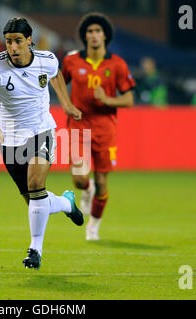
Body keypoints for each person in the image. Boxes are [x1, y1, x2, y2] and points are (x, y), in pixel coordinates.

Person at [0, 17, 83, 270]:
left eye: (18, 41)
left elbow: (56, 76)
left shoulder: (47, 59)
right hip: (9, 138)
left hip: (41, 129)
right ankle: (66, 203)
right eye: (9, 42)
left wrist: (65, 104)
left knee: (35, 184)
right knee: (34, 201)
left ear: (29, 40)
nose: (13, 47)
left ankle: (35, 250)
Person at [62, 13, 135, 241]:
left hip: (105, 129)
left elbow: (129, 99)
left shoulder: (117, 64)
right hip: (78, 125)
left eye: (98, 31)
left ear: (105, 35)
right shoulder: (71, 61)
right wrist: (66, 103)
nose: (94, 35)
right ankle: (87, 188)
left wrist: (108, 100)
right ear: (84, 36)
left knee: (103, 182)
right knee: (80, 179)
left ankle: (93, 225)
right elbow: (57, 82)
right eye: (90, 31)